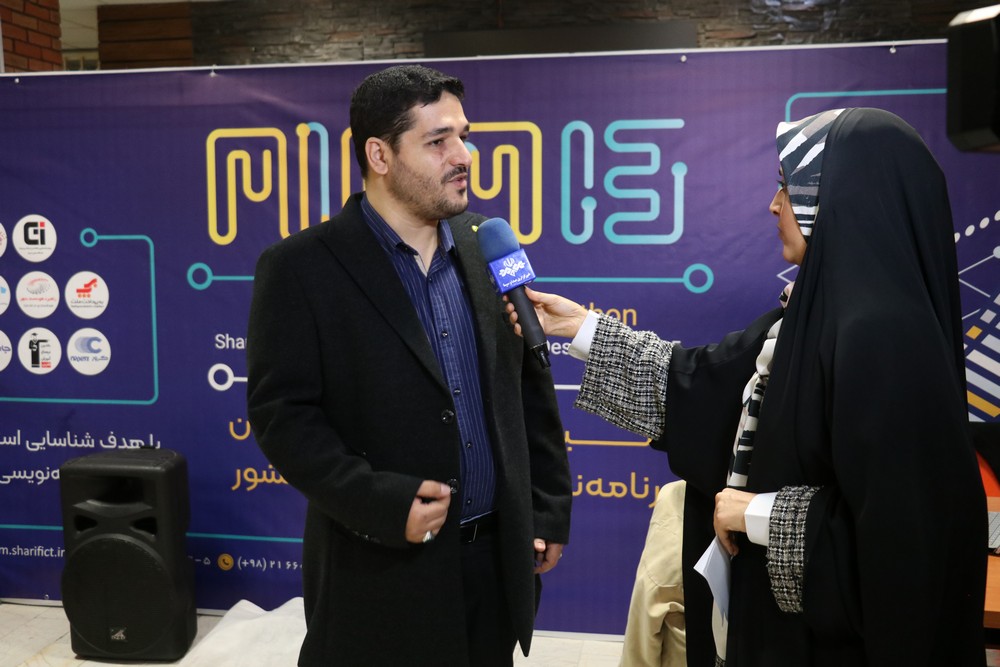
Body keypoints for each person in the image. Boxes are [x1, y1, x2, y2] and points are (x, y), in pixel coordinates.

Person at [508, 108, 986, 666]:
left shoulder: (885, 338)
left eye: (788, 187)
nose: (774, 205)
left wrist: (758, 514)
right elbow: (698, 384)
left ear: (839, 199)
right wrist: (578, 328)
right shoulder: (810, 319)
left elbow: (905, 543)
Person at [246, 64, 572, 667]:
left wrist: (547, 507)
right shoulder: (300, 268)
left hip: (494, 568)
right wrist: (377, 501)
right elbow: (282, 417)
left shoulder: (488, 243)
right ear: (380, 154)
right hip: (377, 573)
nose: (464, 156)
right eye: (438, 140)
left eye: (463, 136)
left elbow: (530, 385)